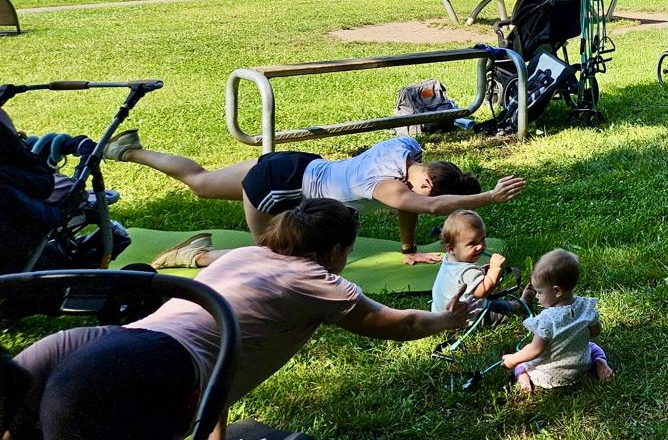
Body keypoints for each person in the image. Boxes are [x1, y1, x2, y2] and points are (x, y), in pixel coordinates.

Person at [0, 200, 472, 440]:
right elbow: (400, 322)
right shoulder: (323, 283)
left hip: (92, 343)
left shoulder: (247, 255)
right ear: (335, 252)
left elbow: (220, 358)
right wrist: (450, 319)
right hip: (130, 371)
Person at [103, 130, 525, 266]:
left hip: (295, 164)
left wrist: (409, 248)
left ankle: (128, 149)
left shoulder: (406, 149)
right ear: (428, 185)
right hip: (277, 188)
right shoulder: (385, 188)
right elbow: (427, 206)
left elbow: (418, 204)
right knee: (268, 260)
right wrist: (490, 195)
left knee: (200, 182)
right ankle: (195, 256)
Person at [500, 248, 614, 389]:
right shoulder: (586, 307)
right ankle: (600, 363)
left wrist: (512, 359)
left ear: (557, 291)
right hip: (582, 366)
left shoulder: (546, 320)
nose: (537, 297)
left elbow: (536, 350)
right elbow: (595, 332)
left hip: (548, 375)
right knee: (593, 347)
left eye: (540, 292)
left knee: (522, 356)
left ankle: (523, 376)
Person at [431, 210, 506, 312]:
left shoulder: (449, 260)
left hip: (440, 315)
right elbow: (483, 291)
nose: (480, 246)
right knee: (504, 307)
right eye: (472, 243)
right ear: (451, 249)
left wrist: (482, 271)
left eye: (482, 239)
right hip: (464, 317)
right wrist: (495, 269)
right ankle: (523, 303)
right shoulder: (467, 271)